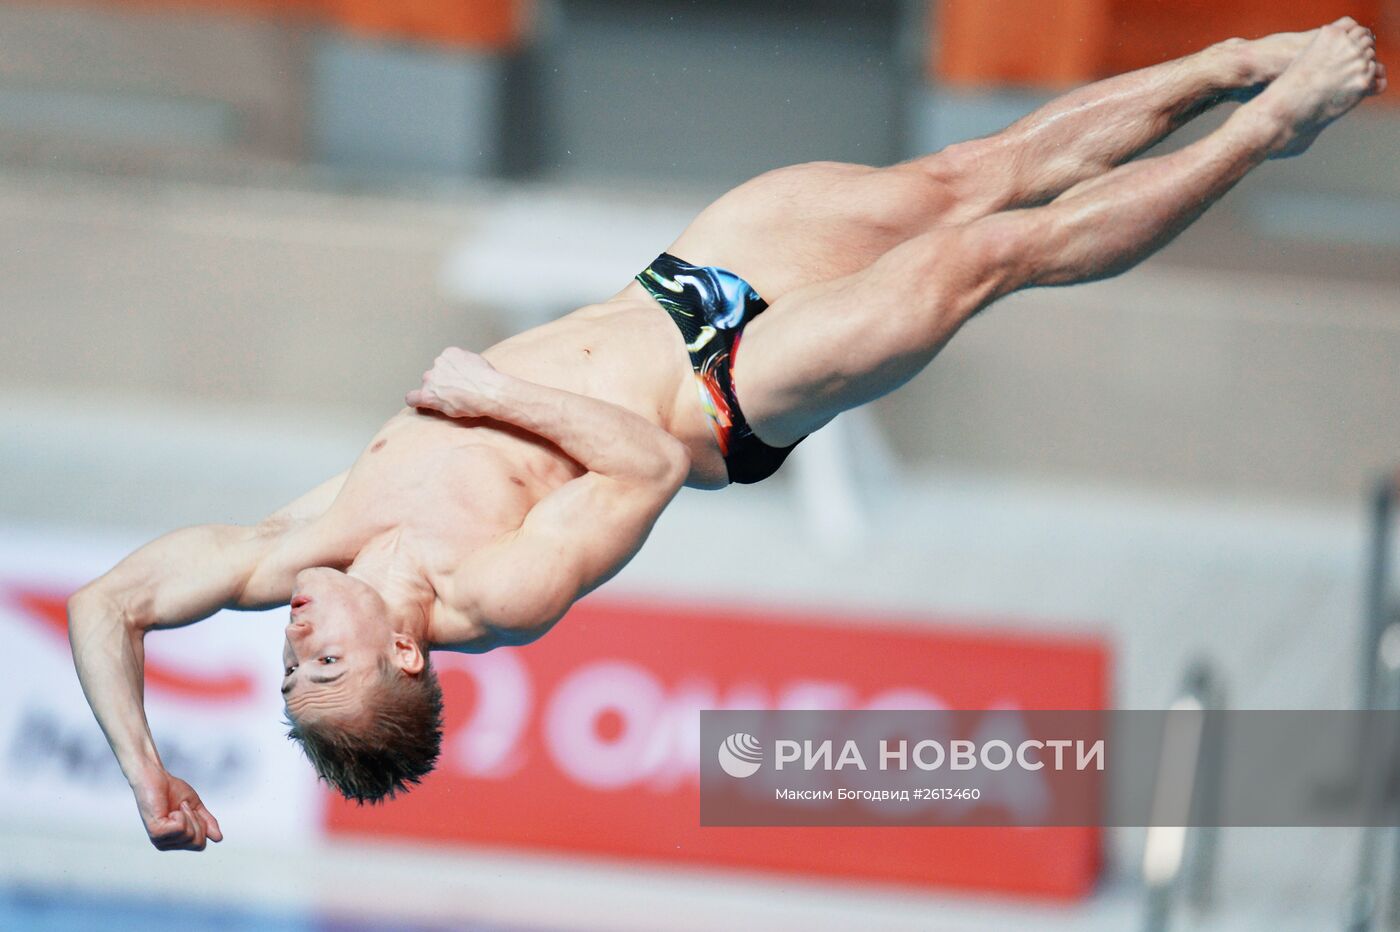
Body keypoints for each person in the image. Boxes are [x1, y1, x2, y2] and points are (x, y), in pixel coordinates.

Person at [67, 21, 1385, 850]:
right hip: (733, 391)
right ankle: (1268, 132)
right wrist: (492, 394)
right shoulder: (492, 594)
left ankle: (1225, 64)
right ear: (405, 647)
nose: (292, 644)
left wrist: (145, 774)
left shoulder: (285, 547)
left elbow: (108, 605)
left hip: (679, 283)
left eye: (291, 670)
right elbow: (644, 465)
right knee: (994, 253)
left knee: (971, 171)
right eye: (323, 669)